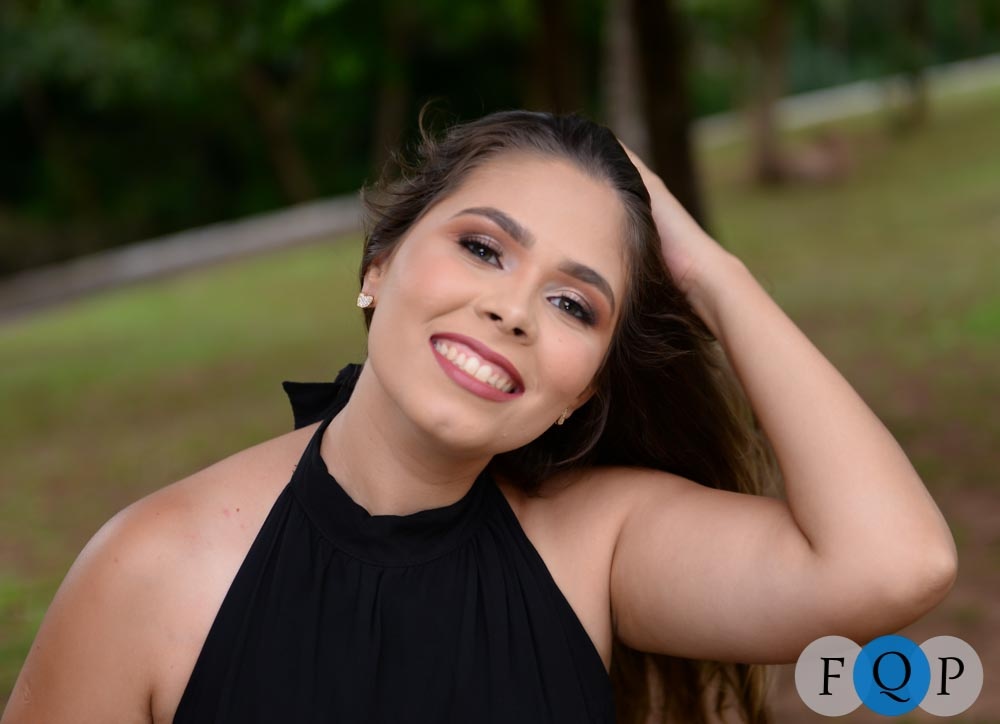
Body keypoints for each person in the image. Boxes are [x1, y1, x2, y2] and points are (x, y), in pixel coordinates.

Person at [1, 110, 956, 724]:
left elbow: (894, 565)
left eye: (574, 303)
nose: (513, 310)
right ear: (379, 267)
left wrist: (711, 272)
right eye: (484, 248)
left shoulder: (595, 547)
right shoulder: (153, 571)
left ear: (584, 390)